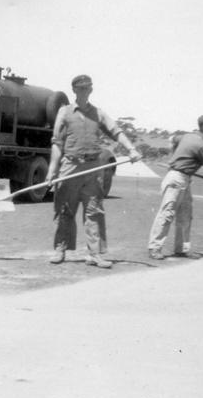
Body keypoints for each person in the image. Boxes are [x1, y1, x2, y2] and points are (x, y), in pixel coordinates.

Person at [46, 74, 141, 269]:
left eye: (88, 88)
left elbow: (116, 131)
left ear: (91, 89)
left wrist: (131, 149)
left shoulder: (98, 113)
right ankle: (60, 250)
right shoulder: (64, 112)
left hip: (93, 168)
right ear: (74, 90)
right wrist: (51, 171)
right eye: (81, 88)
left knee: (94, 211)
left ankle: (95, 255)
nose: (85, 91)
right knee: (64, 209)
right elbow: (57, 144)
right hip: (70, 165)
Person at [147, 114, 203, 260]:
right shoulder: (200, 145)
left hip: (183, 179)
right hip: (176, 179)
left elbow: (172, 139)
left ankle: (182, 249)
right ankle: (154, 248)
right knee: (167, 214)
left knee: (185, 215)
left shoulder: (187, 136)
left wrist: (173, 158)